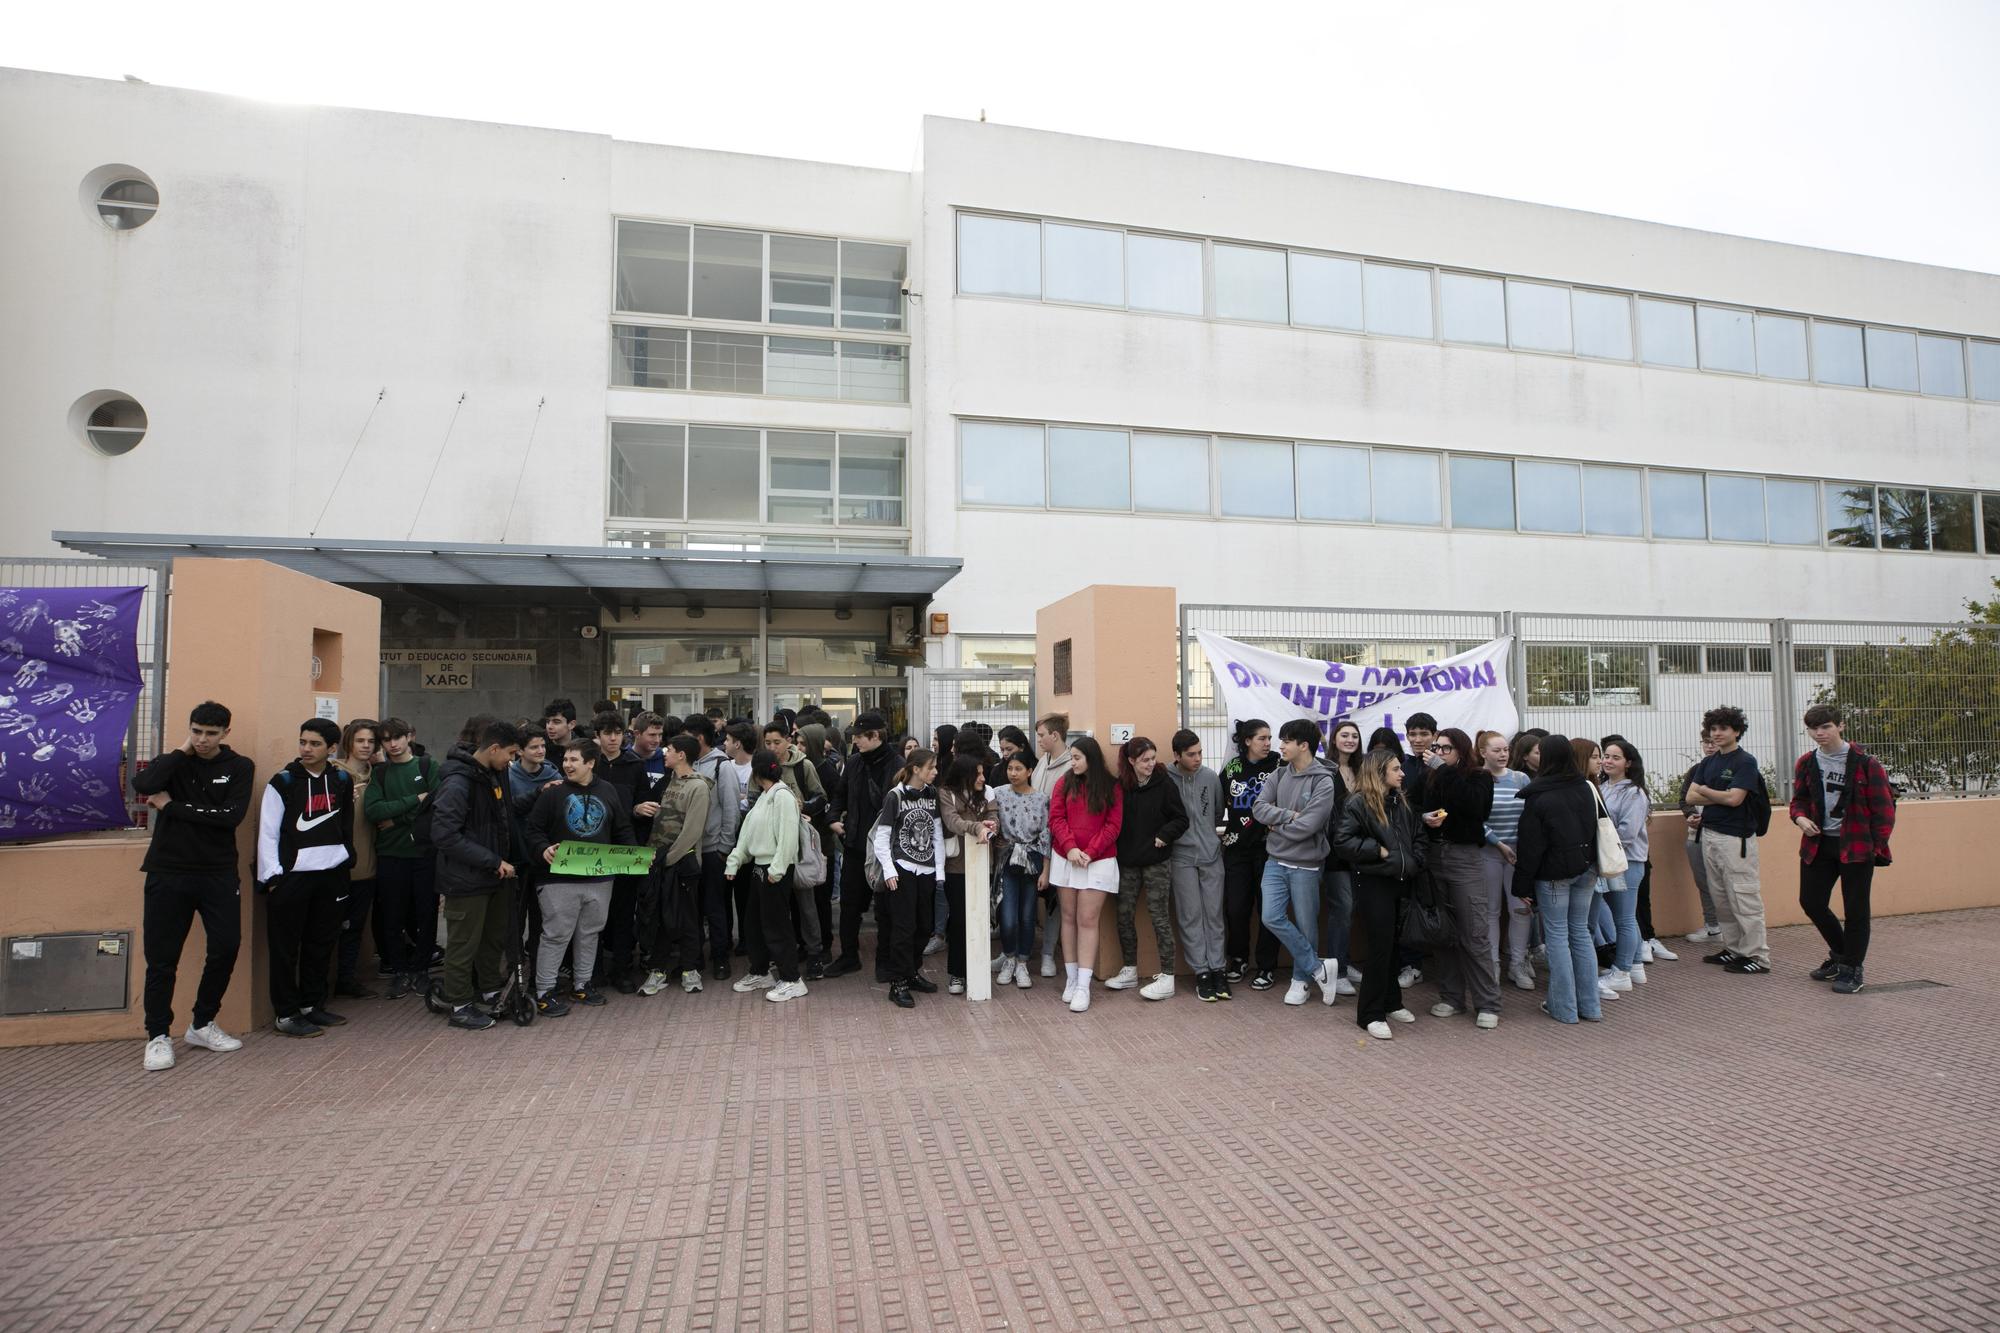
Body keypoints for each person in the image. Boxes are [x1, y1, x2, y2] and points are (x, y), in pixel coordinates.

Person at [133, 701, 256, 1071]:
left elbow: (229, 818)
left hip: (216, 872)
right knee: (161, 959)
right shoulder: (175, 763)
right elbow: (144, 785)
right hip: (167, 872)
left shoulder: (239, 767)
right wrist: (181, 750)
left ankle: (202, 1023)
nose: (202, 740)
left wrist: (172, 807)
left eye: (210, 734)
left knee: (225, 946)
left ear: (225, 734)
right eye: (197, 731)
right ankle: (157, 1035)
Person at [257, 718, 356, 1038]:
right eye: (303, 742)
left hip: (331, 876)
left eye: (314, 744)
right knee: (286, 949)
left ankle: (311, 1005)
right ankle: (285, 1014)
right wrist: (273, 877)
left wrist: (345, 862)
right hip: (292, 878)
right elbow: (268, 833)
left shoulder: (341, 779)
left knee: (321, 944)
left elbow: (346, 826)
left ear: (331, 748)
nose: (306, 749)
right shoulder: (283, 782)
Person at [1790, 704, 1896, 995]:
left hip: (1857, 844)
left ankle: (1852, 968)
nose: (1819, 733)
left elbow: (1884, 810)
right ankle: (1841, 955)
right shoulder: (1806, 762)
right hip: (1818, 844)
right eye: (1813, 728)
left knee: (1856, 909)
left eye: (1825, 727)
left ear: (1840, 726)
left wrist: (1876, 846)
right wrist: (1800, 818)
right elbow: (1798, 799)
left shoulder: (1865, 763)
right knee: (1811, 901)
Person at [525, 740, 635, 1009]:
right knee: (556, 934)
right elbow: (532, 829)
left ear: (590, 763)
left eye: (574, 760)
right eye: (565, 759)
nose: (567, 765)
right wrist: (543, 849)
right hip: (558, 879)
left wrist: (636, 856)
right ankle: (544, 991)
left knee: (590, 933)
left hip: (599, 878)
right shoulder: (553, 793)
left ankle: (582, 985)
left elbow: (621, 829)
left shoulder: (608, 791)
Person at [429, 720, 522, 1031]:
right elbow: (444, 835)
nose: (512, 760)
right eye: (510, 753)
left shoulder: (493, 775)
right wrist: (492, 860)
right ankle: (460, 1004)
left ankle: (490, 989)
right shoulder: (458, 783)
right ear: (493, 748)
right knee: (463, 943)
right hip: (466, 879)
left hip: (494, 875)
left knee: (492, 939)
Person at [1332, 748, 1424, 1041]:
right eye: (1396, 769)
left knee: (1394, 944)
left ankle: (1391, 1001)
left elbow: (1418, 836)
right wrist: (1377, 850)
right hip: (1374, 882)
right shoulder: (1358, 802)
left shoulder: (1401, 801)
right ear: (1380, 771)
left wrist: (1415, 860)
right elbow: (1343, 842)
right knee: (1380, 946)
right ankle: (1370, 1014)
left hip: (1401, 881)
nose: (1402, 773)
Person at [1250, 719, 1342, 1008]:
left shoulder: (1324, 780)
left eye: (1287, 741)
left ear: (1304, 745)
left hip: (1307, 864)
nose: (1280, 746)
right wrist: (1290, 815)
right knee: (1270, 917)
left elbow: (1310, 826)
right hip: (1275, 860)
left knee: (1306, 925)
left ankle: (1301, 980)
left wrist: (1277, 826)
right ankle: (1318, 968)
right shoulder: (1278, 775)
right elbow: (1258, 808)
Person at [1512, 735, 1602, 1024]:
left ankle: (1563, 1008)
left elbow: (1530, 847)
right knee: (1581, 934)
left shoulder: (1538, 795)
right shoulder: (1586, 787)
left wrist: (1522, 886)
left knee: (1558, 938)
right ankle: (1590, 1006)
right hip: (1586, 869)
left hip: (1553, 876)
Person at [1423, 727, 1501, 1029]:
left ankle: (1487, 1003)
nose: (1440, 753)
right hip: (1435, 855)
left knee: (1475, 932)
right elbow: (1415, 805)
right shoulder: (1431, 776)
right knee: (1443, 931)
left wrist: (1444, 771)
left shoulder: (1478, 776)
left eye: (1446, 748)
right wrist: (1423, 819)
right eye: (1437, 748)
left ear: (1461, 750)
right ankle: (1452, 997)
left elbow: (1475, 807)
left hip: (1465, 858)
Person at [1685, 705, 1770, 974]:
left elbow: (1736, 799)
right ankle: (1734, 949)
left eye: (1723, 728)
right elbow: (1690, 797)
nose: (1717, 734)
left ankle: (1757, 955)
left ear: (1737, 731)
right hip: (1709, 835)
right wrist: (1720, 793)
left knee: (1743, 897)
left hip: (1736, 840)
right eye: (1713, 729)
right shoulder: (1709, 762)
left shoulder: (1744, 761)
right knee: (1721, 897)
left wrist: (1709, 791)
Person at [1105, 736, 1189, 1000]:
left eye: (1153, 758)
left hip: (1157, 860)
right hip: (1128, 862)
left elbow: (1181, 818)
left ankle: (1167, 977)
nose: (1151, 764)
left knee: (1159, 917)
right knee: (1123, 914)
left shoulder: (1164, 783)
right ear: (1131, 761)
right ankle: (1129, 969)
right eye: (1144, 760)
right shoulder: (1121, 787)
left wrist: (1165, 834)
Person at [365, 718, 439, 1000]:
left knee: (426, 913)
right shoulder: (380, 772)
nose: (393, 744)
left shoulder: (426, 765)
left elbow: (434, 803)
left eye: (397, 737)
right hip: (390, 854)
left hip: (423, 853)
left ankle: (421, 970)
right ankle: (399, 971)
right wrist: (413, 802)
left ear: (409, 737)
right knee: (392, 916)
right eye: (386, 740)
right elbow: (373, 811)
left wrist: (394, 820)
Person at [725, 749, 808, 1002]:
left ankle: (792, 979)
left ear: (756, 772)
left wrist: (778, 869)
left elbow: (788, 837)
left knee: (776, 926)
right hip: (761, 869)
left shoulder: (782, 796)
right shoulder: (764, 796)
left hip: (774, 870)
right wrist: (735, 861)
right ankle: (760, 971)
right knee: (753, 923)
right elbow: (748, 832)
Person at [1049, 736, 1122, 1014]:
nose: (1073, 762)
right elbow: (1056, 818)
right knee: (1068, 918)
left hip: (1098, 860)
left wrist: (1089, 852)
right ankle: (1070, 979)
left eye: (1077, 757)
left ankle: (1083, 985)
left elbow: (1113, 825)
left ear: (1090, 757)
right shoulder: (1063, 783)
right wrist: (1070, 848)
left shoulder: (1111, 787)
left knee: (1087, 919)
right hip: (1066, 858)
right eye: (1072, 757)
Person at [641, 735, 712, 997]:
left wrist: (668, 861)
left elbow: (692, 832)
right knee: (659, 917)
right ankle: (657, 969)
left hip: (683, 865)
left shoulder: (699, 787)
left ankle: (690, 969)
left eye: (669, 749)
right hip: (658, 862)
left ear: (681, 755)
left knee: (688, 918)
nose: (664, 753)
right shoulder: (666, 781)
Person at [874, 748, 946, 1008]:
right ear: (916, 769)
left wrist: (939, 872)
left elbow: (936, 834)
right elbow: (882, 838)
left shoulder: (931, 794)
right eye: (931, 767)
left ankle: (912, 972)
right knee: (902, 929)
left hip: (926, 871)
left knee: (924, 926)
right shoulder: (896, 796)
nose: (935, 772)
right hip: (903, 870)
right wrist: (890, 870)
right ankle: (898, 983)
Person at [827, 711, 894, 979]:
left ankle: (885, 962)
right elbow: (839, 795)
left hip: (884, 852)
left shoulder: (897, 764)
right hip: (855, 846)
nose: (855, 742)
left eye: (859, 737)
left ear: (875, 736)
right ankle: (848, 956)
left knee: (885, 911)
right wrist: (833, 818)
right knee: (849, 907)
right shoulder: (853, 763)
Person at [1165, 730, 1228, 1001]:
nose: (1198, 758)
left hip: (1212, 855)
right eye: (1191, 754)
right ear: (1177, 756)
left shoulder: (1210, 777)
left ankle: (1218, 969)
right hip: (1180, 857)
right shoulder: (1165, 779)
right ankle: (1201, 972)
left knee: (1214, 914)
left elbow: (1216, 813)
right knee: (1190, 915)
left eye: (1200, 752)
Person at [1219, 718, 1281, 988]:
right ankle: (1239, 958)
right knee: (1235, 908)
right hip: (1236, 848)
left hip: (1270, 850)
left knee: (1269, 910)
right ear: (1247, 741)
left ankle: (1266, 967)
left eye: (1269, 738)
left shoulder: (1281, 765)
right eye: (1262, 738)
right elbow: (1218, 800)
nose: (1268, 743)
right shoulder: (1232, 767)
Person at [765, 720, 829, 976]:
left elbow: (821, 796)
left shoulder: (804, 765)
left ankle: (814, 953)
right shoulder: (762, 766)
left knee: (806, 903)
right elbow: (750, 800)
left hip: (799, 846)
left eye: (777, 742)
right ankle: (785, 952)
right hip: (770, 845)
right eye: (767, 743)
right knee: (778, 906)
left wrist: (804, 807)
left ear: (788, 741)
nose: (772, 747)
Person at [686, 716, 743, 980]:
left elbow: (731, 808)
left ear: (699, 738)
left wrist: (724, 847)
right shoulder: (684, 764)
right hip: (688, 850)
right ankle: (694, 957)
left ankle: (720, 958)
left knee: (715, 906)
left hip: (712, 849)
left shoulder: (722, 766)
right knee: (692, 907)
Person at [1479, 730, 1536, 991]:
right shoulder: (1478, 779)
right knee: (1491, 911)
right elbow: (1473, 819)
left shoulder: (1520, 778)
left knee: (1521, 909)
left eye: (1505, 750)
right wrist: (1497, 843)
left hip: (1518, 854)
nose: (1503, 754)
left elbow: (1532, 814)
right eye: (1496, 750)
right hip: (1489, 852)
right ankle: (1492, 965)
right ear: (1483, 753)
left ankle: (1517, 963)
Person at [936, 754, 996, 995]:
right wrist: (977, 826)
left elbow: (993, 817)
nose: (982, 778)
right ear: (964, 775)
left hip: (983, 863)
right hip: (956, 867)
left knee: (981, 918)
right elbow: (952, 822)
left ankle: (978, 970)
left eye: (983, 773)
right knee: (960, 919)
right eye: (978, 774)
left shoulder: (988, 791)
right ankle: (957, 973)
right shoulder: (946, 793)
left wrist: (991, 825)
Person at [330, 718, 380, 999]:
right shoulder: (335, 774)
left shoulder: (377, 775)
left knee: (355, 929)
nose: (366, 746)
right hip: (337, 867)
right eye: (360, 740)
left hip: (368, 866)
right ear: (349, 742)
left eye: (371, 742)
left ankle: (347, 979)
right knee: (330, 928)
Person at [1598, 736, 1652, 996]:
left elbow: (1627, 832)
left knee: (1624, 918)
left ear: (1628, 763)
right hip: (1612, 861)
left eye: (1615, 757)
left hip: (1627, 863)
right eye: (1606, 756)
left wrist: (1601, 844)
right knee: (1623, 916)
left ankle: (1621, 971)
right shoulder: (1604, 786)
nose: (1608, 761)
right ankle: (1635, 965)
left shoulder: (1634, 793)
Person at [992, 751, 1048, 989]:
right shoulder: (998, 794)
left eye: (1018, 768)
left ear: (1029, 771)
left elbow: (1046, 836)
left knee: (1027, 916)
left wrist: (1045, 871)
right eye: (1010, 768)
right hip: (1006, 859)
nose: (1013, 773)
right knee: (1007, 915)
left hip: (1032, 861)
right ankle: (1009, 958)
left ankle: (1023, 963)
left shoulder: (1042, 799)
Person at [1320, 720, 1364, 999]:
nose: (1349, 740)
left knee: (1351, 908)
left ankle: (1343, 960)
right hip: (1334, 851)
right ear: (1334, 739)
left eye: (1354, 736)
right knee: (1342, 906)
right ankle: (1338, 973)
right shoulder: (1325, 769)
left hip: (1360, 850)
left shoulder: (1363, 769)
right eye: (1344, 735)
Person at [1029, 713, 1074, 976]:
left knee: (1055, 901)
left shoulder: (1070, 767)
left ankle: (1048, 954)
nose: (1039, 740)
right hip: (1034, 842)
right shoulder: (1041, 763)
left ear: (1055, 735)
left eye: (1042, 735)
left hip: (1058, 843)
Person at [1678, 732, 1724, 943]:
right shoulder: (1696, 770)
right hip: (1696, 835)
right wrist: (1690, 815)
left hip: (1725, 835)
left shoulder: (1731, 770)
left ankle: (1733, 929)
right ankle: (1713, 927)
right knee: (1704, 882)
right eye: (1706, 742)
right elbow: (1684, 798)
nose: (1710, 746)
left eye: (1714, 742)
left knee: (1726, 883)